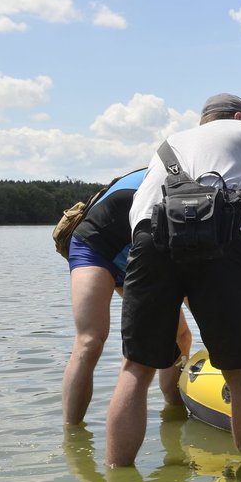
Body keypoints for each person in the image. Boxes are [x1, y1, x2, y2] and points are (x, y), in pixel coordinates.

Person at [105, 93, 241, 466]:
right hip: (221, 242)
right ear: (239, 116)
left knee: (136, 369)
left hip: (150, 239)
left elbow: (138, 215)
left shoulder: (170, 144)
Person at [63, 168, 191, 426]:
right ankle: (72, 433)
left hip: (139, 253)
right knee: (90, 341)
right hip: (95, 247)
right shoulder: (172, 179)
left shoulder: (197, 185)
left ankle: (174, 414)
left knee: (179, 334)